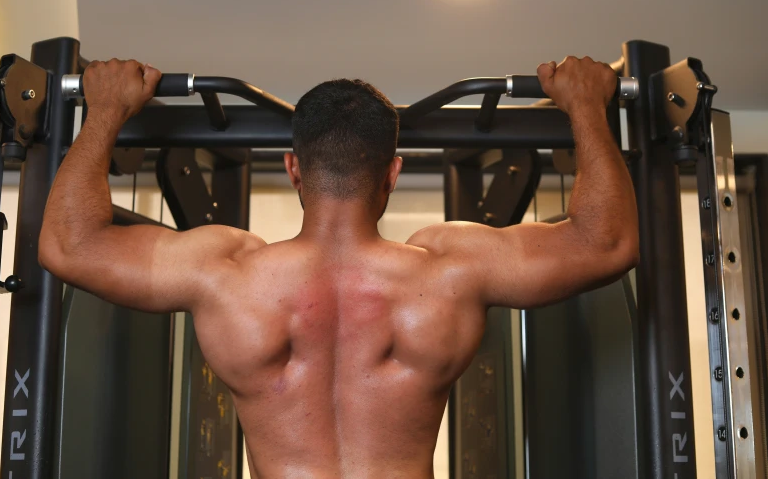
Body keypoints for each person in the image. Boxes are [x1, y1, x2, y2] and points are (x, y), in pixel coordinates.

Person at [38, 56, 639, 478]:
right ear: (392, 173)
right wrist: (586, 107)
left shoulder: (225, 274)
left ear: (295, 169)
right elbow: (605, 243)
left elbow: (71, 245)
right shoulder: (450, 271)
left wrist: (106, 111)